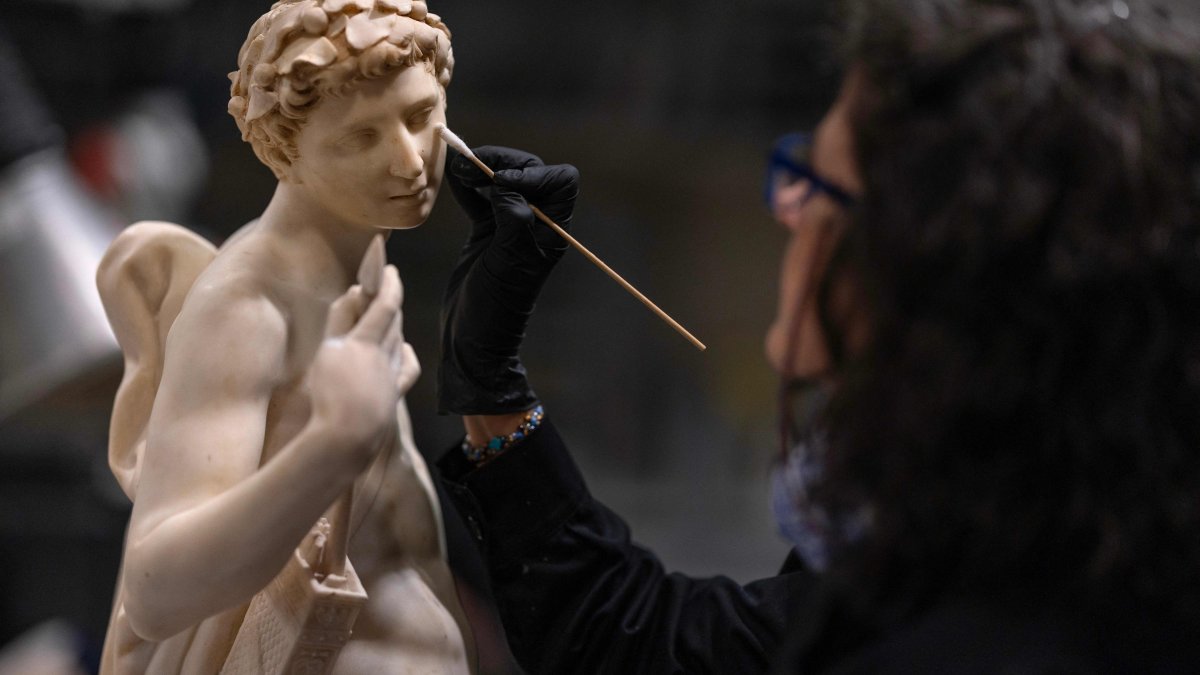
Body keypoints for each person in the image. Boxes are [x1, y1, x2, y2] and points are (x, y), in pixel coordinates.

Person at [433, 0, 1200, 672]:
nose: (786, 207)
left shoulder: (971, 640)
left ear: (930, 276)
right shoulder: (1015, 536)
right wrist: (492, 381)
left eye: (821, 187)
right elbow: (669, 647)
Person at [97, 1, 478, 672]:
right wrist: (330, 447)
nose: (409, 161)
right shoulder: (247, 310)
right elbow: (156, 591)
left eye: (420, 117)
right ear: (284, 151)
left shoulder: (357, 245)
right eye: (361, 137)